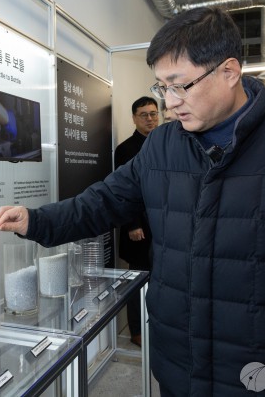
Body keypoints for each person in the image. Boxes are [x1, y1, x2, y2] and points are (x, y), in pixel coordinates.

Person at [0, 6, 265, 396]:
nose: (170, 102)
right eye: (161, 87)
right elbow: (104, 201)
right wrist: (36, 220)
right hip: (179, 364)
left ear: (229, 72)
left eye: (180, 85)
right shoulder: (162, 145)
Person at [114, 96, 158, 347]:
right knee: (138, 281)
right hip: (138, 228)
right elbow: (123, 191)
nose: (150, 119)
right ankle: (137, 331)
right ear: (134, 118)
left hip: (160, 225)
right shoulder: (126, 149)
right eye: (144, 115)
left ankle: (156, 328)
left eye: (153, 113)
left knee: (158, 281)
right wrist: (132, 224)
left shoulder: (163, 143)